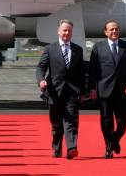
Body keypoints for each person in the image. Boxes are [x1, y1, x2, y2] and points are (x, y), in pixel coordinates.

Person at [36, 19, 86, 159]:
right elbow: (40, 68)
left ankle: (72, 148)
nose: (67, 33)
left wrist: (83, 91)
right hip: (54, 92)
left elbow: (81, 73)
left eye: (69, 30)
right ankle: (57, 147)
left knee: (71, 120)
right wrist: (41, 80)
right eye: (64, 30)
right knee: (57, 124)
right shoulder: (50, 49)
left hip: (72, 92)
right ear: (59, 31)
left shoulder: (78, 50)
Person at [89, 20, 126, 159]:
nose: (114, 31)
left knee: (124, 120)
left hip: (123, 90)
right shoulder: (98, 47)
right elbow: (93, 70)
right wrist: (92, 88)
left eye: (116, 29)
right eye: (111, 30)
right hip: (105, 89)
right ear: (105, 32)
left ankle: (114, 140)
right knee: (106, 121)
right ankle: (109, 148)